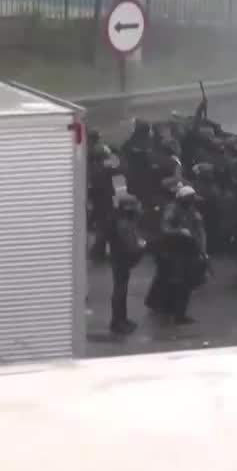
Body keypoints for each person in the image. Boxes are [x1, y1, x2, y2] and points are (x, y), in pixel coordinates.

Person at [156, 185, 207, 326]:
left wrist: (202, 250)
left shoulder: (191, 211)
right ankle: (177, 314)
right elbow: (165, 228)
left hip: (188, 250)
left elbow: (199, 230)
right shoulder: (172, 209)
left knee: (181, 283)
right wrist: (179, 231)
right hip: (174, 251)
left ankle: (174, 311)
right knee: (179, 283)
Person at [107, 194, 146, 335]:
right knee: (120, 291)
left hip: (119, 259)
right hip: (120, 260)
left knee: (121, 290)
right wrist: (141, 247)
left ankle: (121, 320)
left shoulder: (123, 221)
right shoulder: (124, 224)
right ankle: (118, 322)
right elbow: (130, 245)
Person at [87, 130, 120, 261]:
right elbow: (120, 171)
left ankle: (98, 251)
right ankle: (97, 252)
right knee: (106, 226)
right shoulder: (104, 169)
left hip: (99, 201)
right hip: (105, 201)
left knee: (104, 226)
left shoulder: (93, 167)